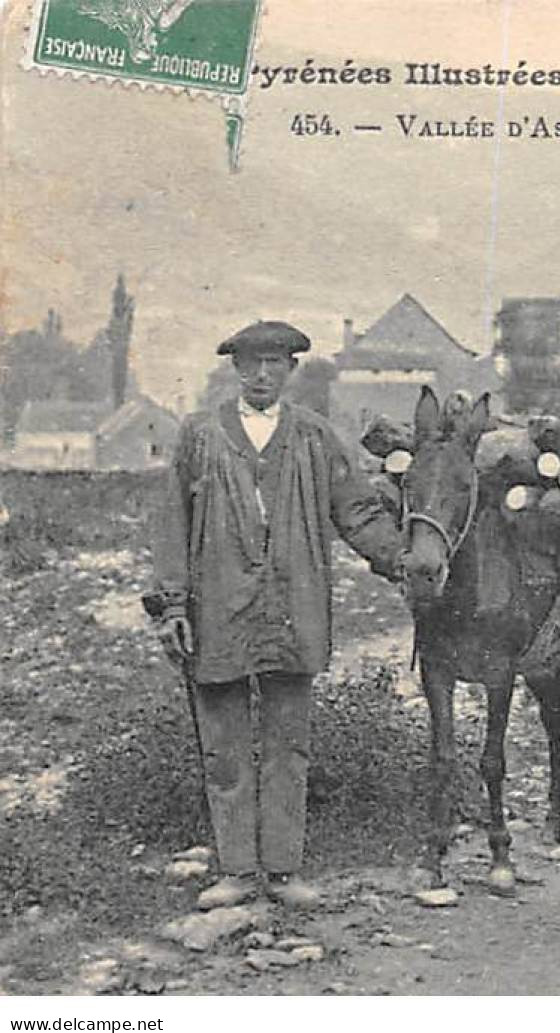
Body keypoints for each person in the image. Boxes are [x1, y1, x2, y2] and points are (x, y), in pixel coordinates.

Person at [149, 321, 404, 911]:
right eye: (251, 363)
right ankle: (237, 870)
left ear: (292, 370)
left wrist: (403, 561)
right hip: (219, 612)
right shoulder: (200, 437)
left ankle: (285, 872)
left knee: (290, 744)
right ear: (234, 369)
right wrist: (173, 605)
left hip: (294, 609)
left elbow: (358, 512)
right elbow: (171, 526)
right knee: (225, 747)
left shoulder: (316, 437)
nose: (262, 375)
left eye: (275, 363)